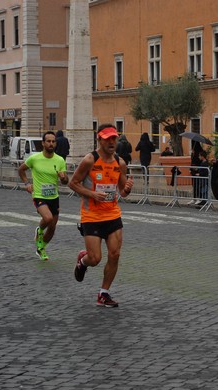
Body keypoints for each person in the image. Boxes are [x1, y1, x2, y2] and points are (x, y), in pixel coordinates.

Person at [69, 124, 134, 307]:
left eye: (114, 138)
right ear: (99, 140)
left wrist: (127, 189)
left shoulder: (120, 163)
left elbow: (122, 191)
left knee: (115, 254)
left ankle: (103, 293)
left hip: (112, 214)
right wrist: (92, 194)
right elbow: (73, 183)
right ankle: (83, 260)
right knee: (95, 258)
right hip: (92, 215)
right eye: (108, 139)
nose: (112, 142)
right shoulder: (90, 160)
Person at [18, 131, 69, 260]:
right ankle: (39, 230)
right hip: (39, 195)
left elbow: (65, 181)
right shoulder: (34, 158)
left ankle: (41, 248)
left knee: (52, 228)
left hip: (54, 197)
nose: (51, 144)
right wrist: (27, 184)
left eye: (53, 141)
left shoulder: (60, 160)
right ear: (43, 143)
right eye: (48, 141)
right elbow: (21, 169)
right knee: (48, 219)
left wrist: (63, 178)